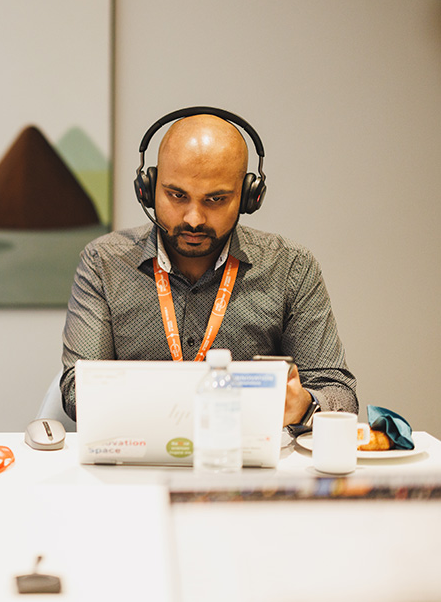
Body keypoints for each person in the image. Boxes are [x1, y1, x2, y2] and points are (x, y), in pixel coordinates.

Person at [60, 108, 357, 428]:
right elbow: (78, 391)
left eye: (215, 200)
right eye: (177, 195)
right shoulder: (105, 263)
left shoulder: (291, 268)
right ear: (148, 188)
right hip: (136, 464)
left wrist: (305, 404)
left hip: (246, 468)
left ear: (248, 197)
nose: (193, 218)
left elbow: (339, 394)